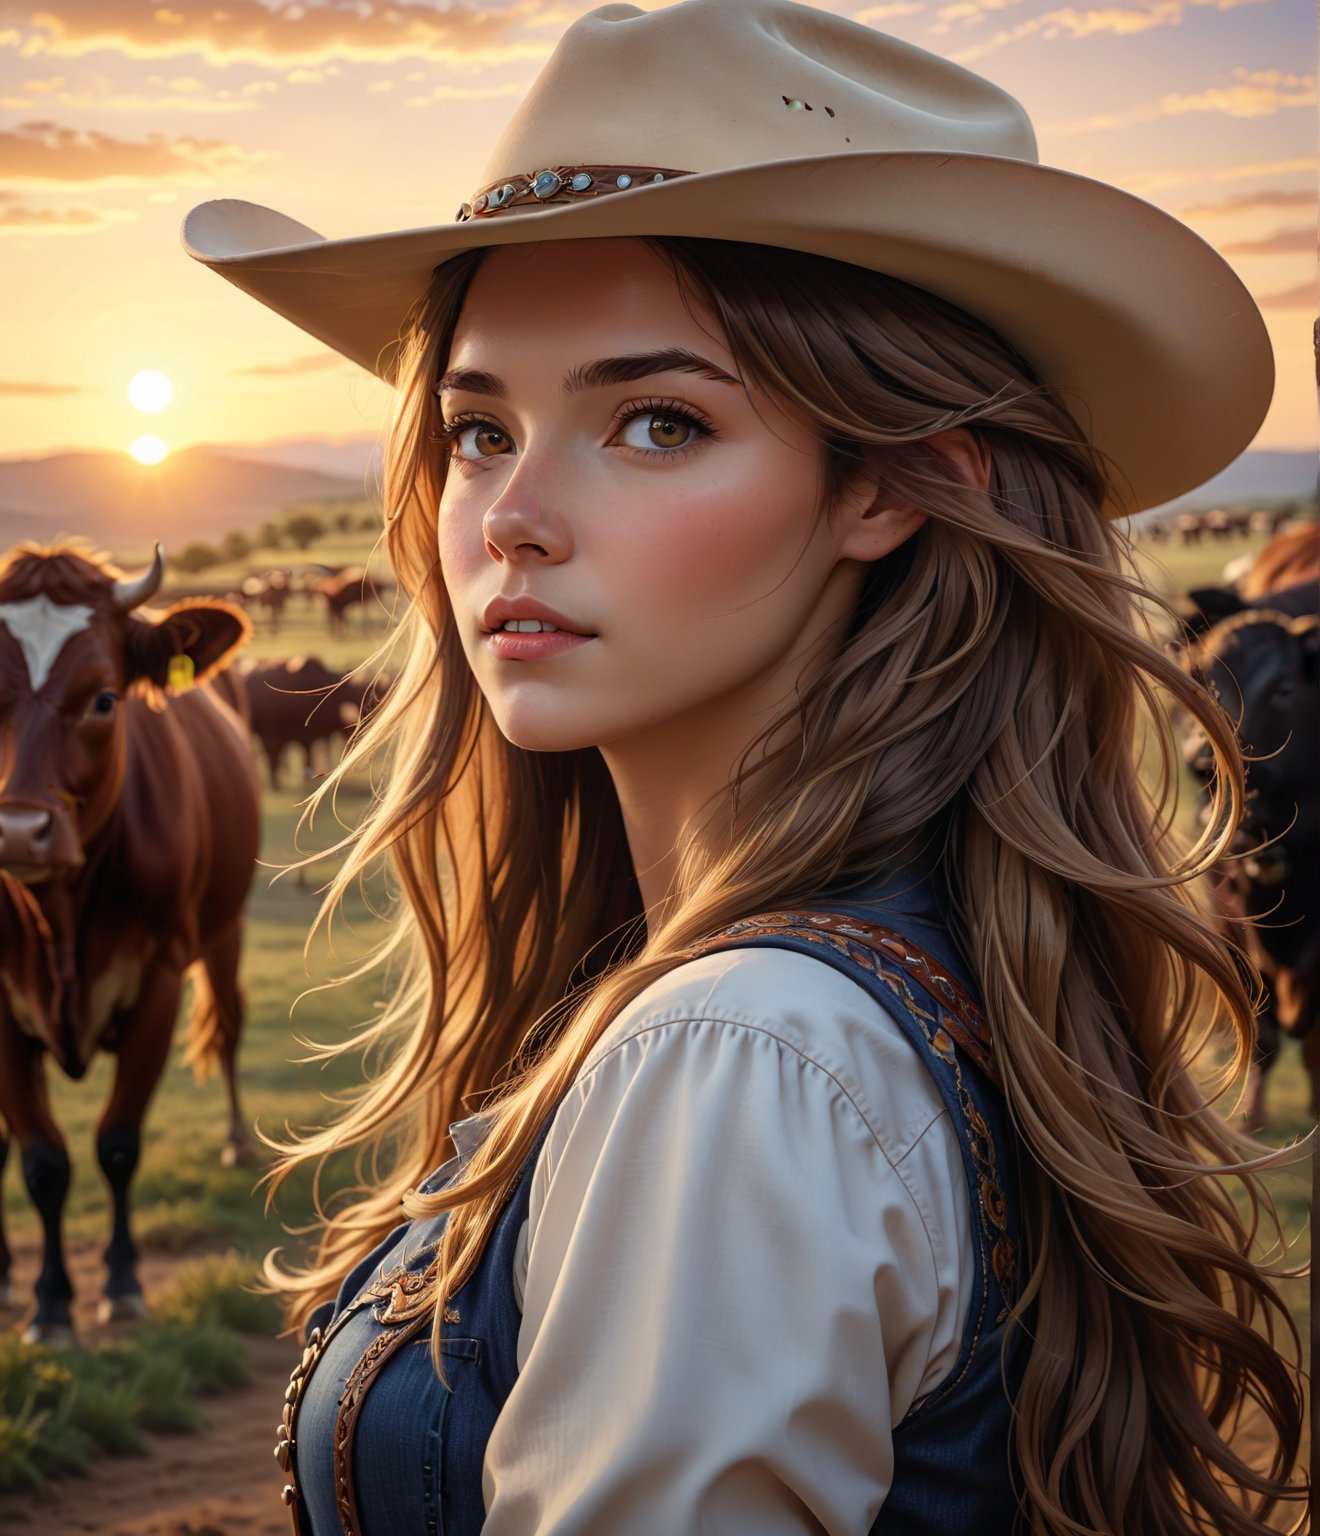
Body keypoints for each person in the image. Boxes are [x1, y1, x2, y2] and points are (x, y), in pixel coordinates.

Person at [182, 2, 1308, 1532]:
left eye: (655, 422)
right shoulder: (914, 972)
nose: (511, 515)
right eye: (479, 428)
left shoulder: (743, 1056)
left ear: (895, 489)